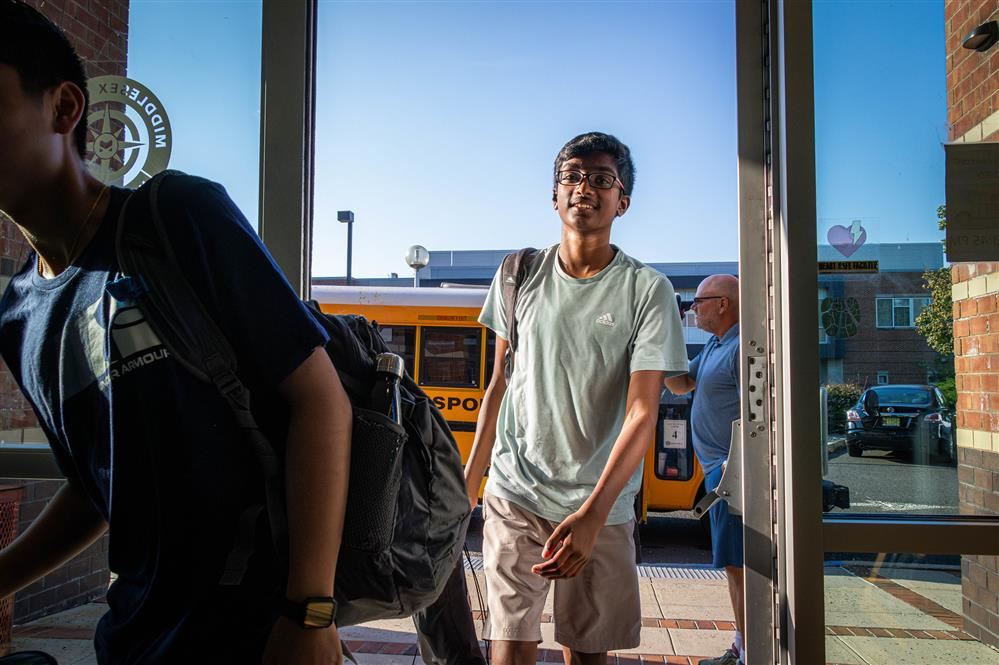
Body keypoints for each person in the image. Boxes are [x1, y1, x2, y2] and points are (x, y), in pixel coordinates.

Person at [0, 2, 352, 663]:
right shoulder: (17, 319)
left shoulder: (178, 219)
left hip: (255, 630)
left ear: (64, 108)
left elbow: (319, 398)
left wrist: (310, 613)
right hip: (135, 632)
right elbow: (97, 482)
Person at [463, 132, 689, 665]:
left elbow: (642, 411)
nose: (583, 187)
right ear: (555, 194)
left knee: (588, 653)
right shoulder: (518, 273)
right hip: (516, 492)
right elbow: (498, 385)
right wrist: (466, 487)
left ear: (622, 201)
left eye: (601, 179)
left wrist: (593, 514)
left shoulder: (646, 289)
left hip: (602, 507)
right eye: (571, 176)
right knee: (508, 649)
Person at [664, 274, 743, 665]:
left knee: (740, 566)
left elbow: (763, 414)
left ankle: (748, 650)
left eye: (700, 301)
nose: (694, 308)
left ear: (723, 304)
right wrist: (658, 341)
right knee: (733, 565)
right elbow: (681, 384)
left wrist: (736, 464)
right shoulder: (715, 345)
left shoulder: (743, 347)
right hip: (718, 473)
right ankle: (744, 645)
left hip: (734, 474)